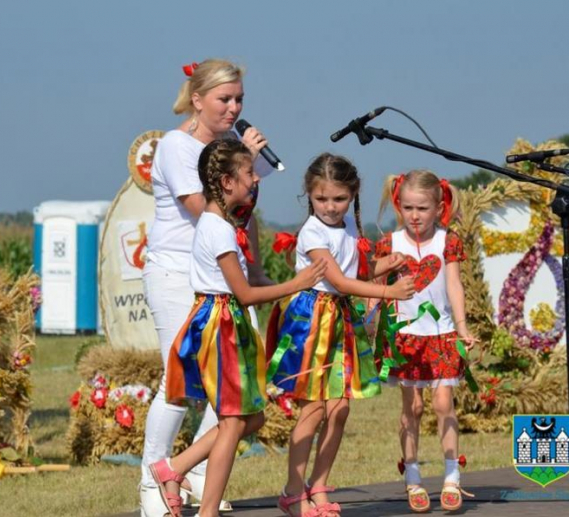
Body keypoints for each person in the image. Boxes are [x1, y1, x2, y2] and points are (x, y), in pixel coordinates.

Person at [149, 139, 327, 517]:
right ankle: (208, 510)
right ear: (228, 182)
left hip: (225, 320)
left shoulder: (220, 224)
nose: (253, 180)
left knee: (253, 417)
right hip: (221, 323)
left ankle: (174, 467)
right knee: (232, 422)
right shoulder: (218, 230)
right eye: (248, 173)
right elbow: (244, 294)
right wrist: (298, 283)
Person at [140, 58, 275, 515]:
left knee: (233, 386)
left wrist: (253, 269)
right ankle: (151, 480)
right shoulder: (176, 147)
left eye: (239, 99)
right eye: (224, 99)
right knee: (177, 381)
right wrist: (246, 162)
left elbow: (243, 213)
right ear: (197, 100)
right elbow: (205, 206)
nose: (234, 108)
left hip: (225, 273)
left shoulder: (233, 148)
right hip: (177, 272)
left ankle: (193, 474)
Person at [265, 153, 416, 517]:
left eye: (339, 199)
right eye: (321, 199)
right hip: (312, 321)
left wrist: (385, 266)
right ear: (309, 196)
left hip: (340, 318)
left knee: (341, 408)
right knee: (314, 408)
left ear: (352, 195)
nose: (330, 207)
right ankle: (292, 491)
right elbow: (338, 281)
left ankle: (318, 484)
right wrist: (389, 293)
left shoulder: (348, 225)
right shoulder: (313, 233)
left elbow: (356, 271)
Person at [374, 169, 476, 513]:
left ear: (438, 207)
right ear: (397, 205)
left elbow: (453, 286)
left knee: (443, 404)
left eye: (422, 208)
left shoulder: (447, 241)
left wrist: (461, 327)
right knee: (412, 408)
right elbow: (372, 282)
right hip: (404, 337)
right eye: (407, 208)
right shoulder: (390, 242)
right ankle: (413, 475)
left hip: (441, 334)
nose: (414, 216)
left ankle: (452, 475)